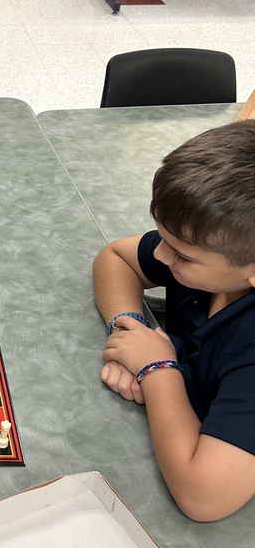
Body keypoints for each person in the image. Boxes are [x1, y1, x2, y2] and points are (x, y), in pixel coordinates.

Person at [92, 121, 255, 523]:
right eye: (162, 238)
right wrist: (129, 329)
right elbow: (115, 256)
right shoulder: (214, 256)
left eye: (183, 255)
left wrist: (156, 368)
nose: (161, 257)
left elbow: (203, 499)